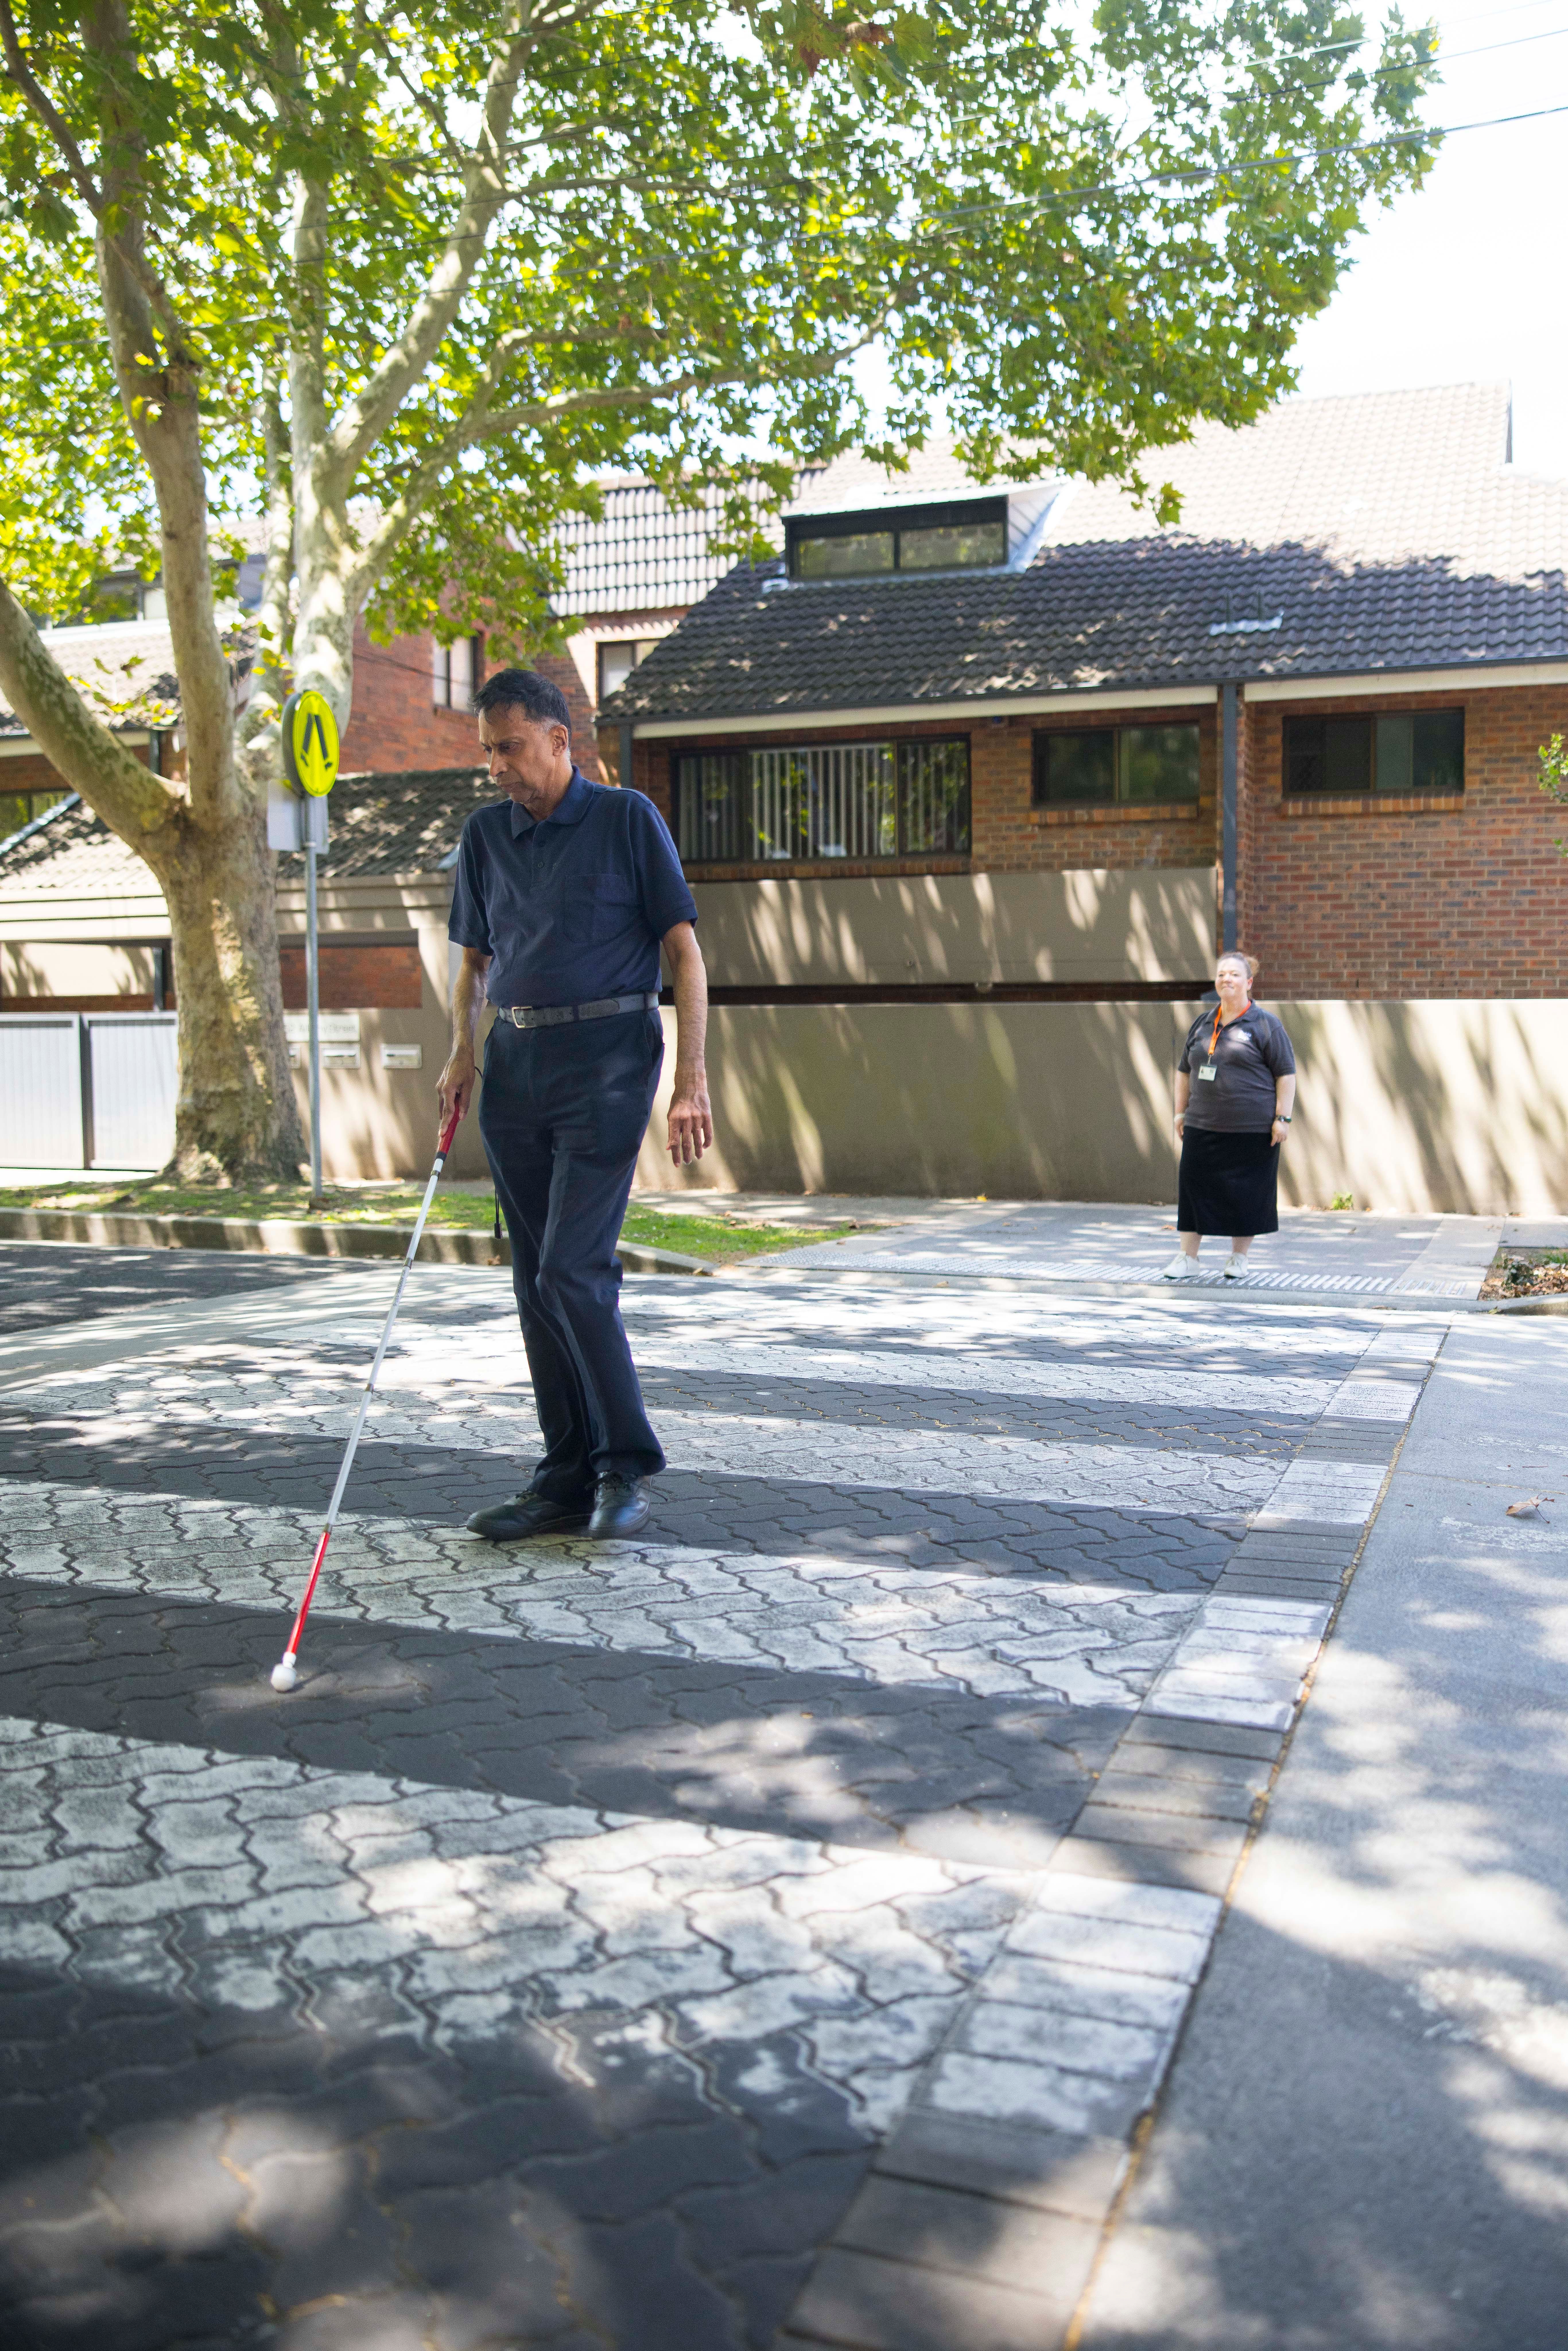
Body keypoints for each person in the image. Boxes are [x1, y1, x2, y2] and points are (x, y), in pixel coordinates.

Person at [436, 669, 712, 1540]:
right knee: (532, 1278)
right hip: (515, 1065)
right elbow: (475, 966)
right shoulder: (486, 836)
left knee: (571, 1269)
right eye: (486, 751)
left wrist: (692, 1081)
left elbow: (686, 955)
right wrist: (461, 1055)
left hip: (609, 1061)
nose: (494, 767)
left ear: (560, 740)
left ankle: (623, 1464)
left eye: (507, 747)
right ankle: (562, 1476)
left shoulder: (630, 820)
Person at [1165, 951, 1296, 1281]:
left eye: (1234, 974)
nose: (1227, 979)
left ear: (1248, 982)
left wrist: (1283, 1118)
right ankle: (1187, 1258)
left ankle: (1239, 1259)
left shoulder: (1266, 1024)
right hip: (1202, 1125)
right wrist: (1180, 1111)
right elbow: (1184, 1071)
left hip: (1252, 1130)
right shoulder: (1202, 1023)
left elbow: (1286, 1074)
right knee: (1193, 1191)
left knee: (1246, 1196)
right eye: (1222, 974)